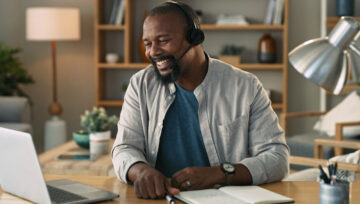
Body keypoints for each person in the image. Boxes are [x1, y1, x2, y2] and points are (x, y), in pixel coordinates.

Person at [111, 1, 289, 200]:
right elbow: (124, 148)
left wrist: (220, 173)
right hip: (160, 199)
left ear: (195, 38)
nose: (153, 52)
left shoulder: (245, 86)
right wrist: (140, 170)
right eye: (148, 43)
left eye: (163, 41)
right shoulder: (140, 85)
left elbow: (277, 158)